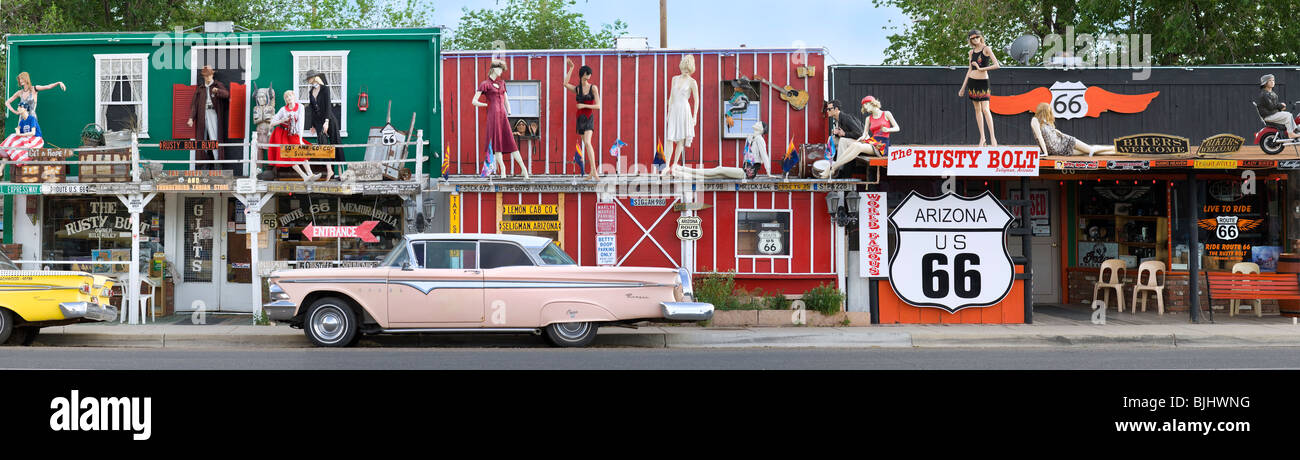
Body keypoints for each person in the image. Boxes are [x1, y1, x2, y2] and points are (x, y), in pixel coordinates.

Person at [472, 60, 530, 179]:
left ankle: (524, 169)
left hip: (503, 116)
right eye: (499, 69)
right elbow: (474, 101)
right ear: (493, 69)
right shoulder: (485, 84)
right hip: (493, 116)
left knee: (511, 142)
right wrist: (486, 105)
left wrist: (509, 111)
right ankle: (502, 169)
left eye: (502, 70)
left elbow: (506, 100)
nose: (501, 72)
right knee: (496, 143)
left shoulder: (502, 83)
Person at [822, 96, 899, 179]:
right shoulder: (868, 118)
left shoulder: (886, 113)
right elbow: (864, 134)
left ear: (873, 103)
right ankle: (837, 168)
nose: (865, 107)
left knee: (857, 146)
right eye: (863, 106)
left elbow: (897, 128)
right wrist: (858, 140)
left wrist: (888, 129)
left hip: (882, 145)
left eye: (866, 104)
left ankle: (832, 167)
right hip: (872, 141)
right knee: (853, 144)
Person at [958, 29, 1000, 146]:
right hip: (972, 82)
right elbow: (969, 69)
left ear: (980, 37)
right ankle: (982, 138)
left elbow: (997, 65)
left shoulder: (986, 48)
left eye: (977, 37)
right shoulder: (971, 52)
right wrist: (963, 87)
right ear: (970, 40)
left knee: (986, 110)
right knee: (977, 110)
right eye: (972, 38)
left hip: (983, 82)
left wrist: (981, 69)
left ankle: (993, 138)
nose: (975, 39)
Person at [267, 90, 320, 181]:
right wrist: (282, 120)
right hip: (282, 133)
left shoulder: (300, 107)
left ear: (294, 97)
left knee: (301, 152)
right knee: (290, 156)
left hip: (294, 133)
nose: (289, 98)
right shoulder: (283, 110)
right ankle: (304, 176)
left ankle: (310, 174)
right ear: (285, 100)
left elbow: (301, 123)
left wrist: (300, 139)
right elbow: (271, 123)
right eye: (286, 97)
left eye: (290, 96)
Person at [1030, 102, 1116, 156]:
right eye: (1048, 111)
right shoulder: (1035, 120)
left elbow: (1051, 133)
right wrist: (1045, 152)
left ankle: (1114, 149)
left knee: (1091, 150)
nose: (1050, 113)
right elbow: (1039, 137)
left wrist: (1060, 134)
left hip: (1065, 142)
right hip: (1059, 150)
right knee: (1090, 152)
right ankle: (1115, 150)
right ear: (1044, 111)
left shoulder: (1046, 123)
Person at [563, 58, 601, 180]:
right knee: (586, 144)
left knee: (588, 143)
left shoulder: (593, 88)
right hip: (580, 119)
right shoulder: (578, 89)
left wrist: (584, 105)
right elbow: (565, 84)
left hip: (589, 117)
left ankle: (594, 171)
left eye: (590, 73)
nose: (589, 75)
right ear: (583, 74)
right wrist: (571, 68)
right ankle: (591, 172)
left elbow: (598, 106)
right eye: (588, 73)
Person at [663, 55, 700, 176]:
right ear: (681, 66)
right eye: (684, 68)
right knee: (670, 138)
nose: (685, 71)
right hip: (674, 110)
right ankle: (666, 165)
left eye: (688, 69)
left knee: (681, 139)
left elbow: (696, 100)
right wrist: (668, 112)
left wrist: (694, 116)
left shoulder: (692, 82)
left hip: (684, 110)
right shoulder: (674, 79)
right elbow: (671, 97)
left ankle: (674, 165)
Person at [304, 71, 346, 180]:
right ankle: (330, 171)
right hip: (318, 121)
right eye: (308, 79)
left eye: (310, 78)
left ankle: (341, 172)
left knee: (335, 143)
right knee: (323, 145)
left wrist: (326, 122)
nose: (309, 81)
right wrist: (312, 124)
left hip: (329, 119)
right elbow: (312, 109)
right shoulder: (311, 92)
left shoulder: (325, 89)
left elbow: (328, 106)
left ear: (315, 78)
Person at [187, 65, 229, 171]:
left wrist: (218, 91)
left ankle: (218, 165)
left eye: (209, 75)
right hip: (202, 115)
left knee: (215, 138)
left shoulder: (218, 85)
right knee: (202, 139)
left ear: (212, 74)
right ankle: (203, 166)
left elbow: (227, 94)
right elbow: (194, 105)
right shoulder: (200, 89)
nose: (208, 77)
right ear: (203, 76)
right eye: (206, 76)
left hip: (213, 114)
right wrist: (191, 118)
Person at [1257, 74, 1300, 139]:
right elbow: (1271, 106)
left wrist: (1281, 106)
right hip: (1269, 115)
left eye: (1273, 80)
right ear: (1265, 83)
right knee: (1288, 115)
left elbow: (1274, 104)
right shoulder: (1264, 94)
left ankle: (1295, 131)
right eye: (1270, 81)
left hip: (1271, 113)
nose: (1272, 82)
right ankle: (1291, 134)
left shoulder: (1271, 93)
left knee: (1289, 115)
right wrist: (1281, 106)